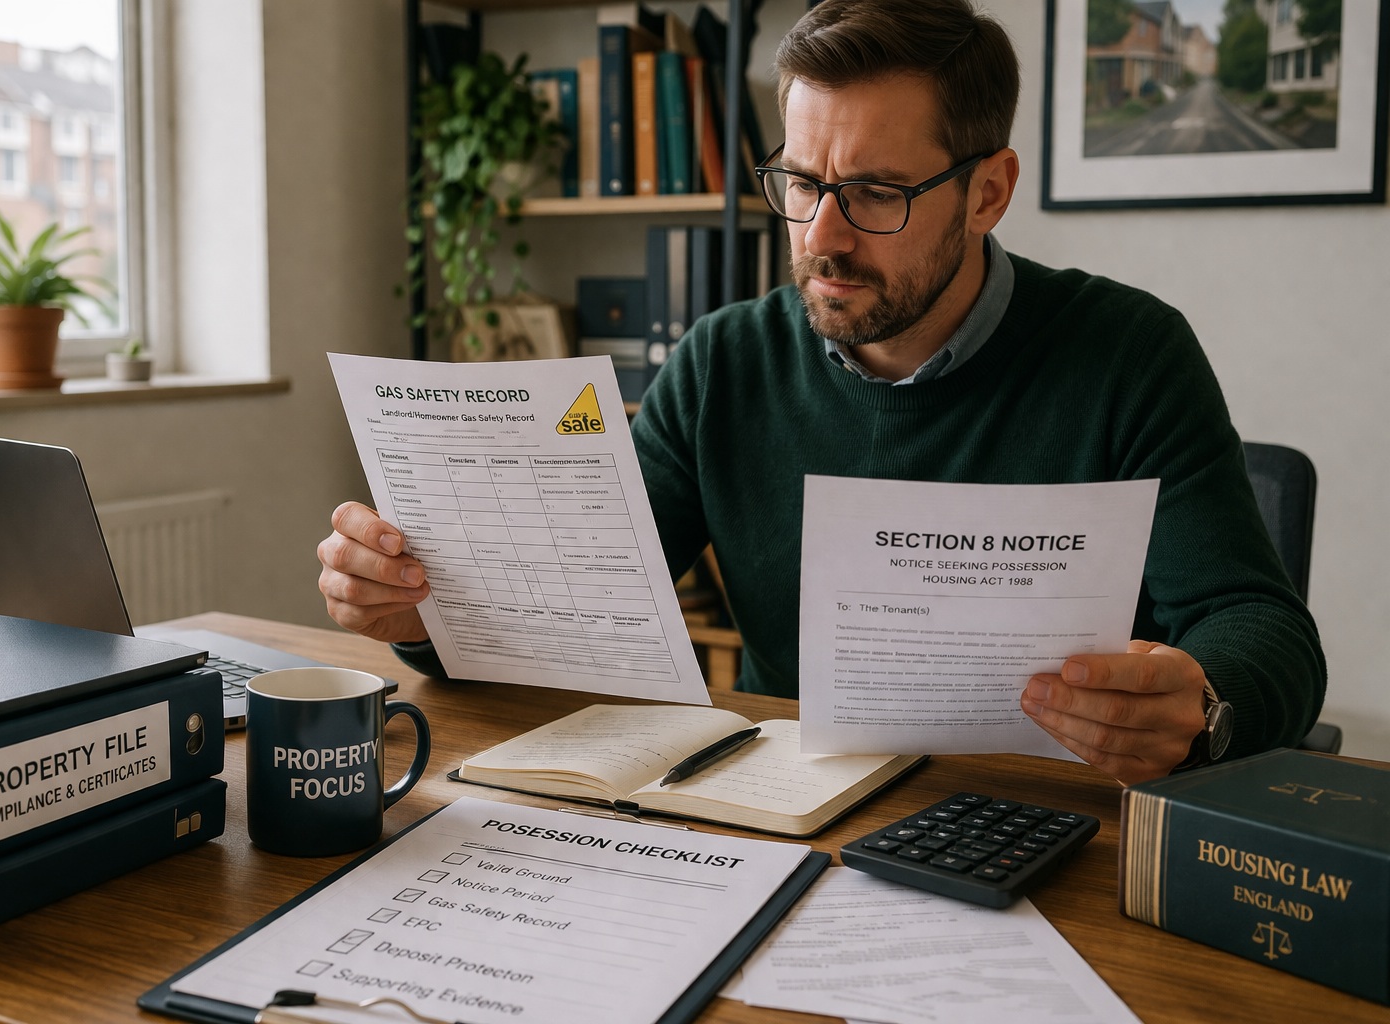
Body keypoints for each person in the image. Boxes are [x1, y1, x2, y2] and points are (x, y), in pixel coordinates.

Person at [318, 0, 1326, 785]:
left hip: (1048, 813)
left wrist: (1204, 700)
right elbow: (567, 615)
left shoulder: (1130, 354)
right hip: (782, 809)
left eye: (876, 193)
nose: (820, 236)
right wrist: (419, 612)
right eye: (802, 182)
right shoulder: (721, 363)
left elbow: (1264, 627)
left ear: (988, 190)